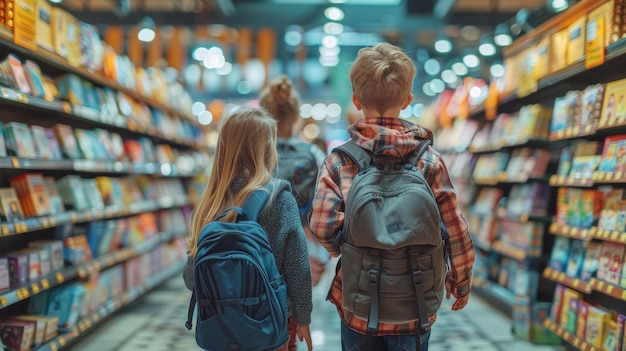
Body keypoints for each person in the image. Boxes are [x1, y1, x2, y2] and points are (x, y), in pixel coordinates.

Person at [309, 42, 475, 351]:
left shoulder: (340, 161)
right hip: (416, 302)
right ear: (408, 99)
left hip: (359, 301)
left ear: (356, 101)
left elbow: (322, 226)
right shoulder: (429, 160)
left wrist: (352, 244)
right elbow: (456, 227)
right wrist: (460, 279)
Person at [182, 106, 313, 351]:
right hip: (270, 325)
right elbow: (298, 268)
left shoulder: (210, 202)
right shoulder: (279, 198)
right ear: (267, 150)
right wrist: (303, 317)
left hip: (218, 330)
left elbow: (191, 279)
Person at [258, 75, 330, 289]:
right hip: (307, 249)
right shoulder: (313, 153)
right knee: (299, 313)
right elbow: (326, 205)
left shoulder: (254, 153)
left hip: (260, 248)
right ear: (296, 116)